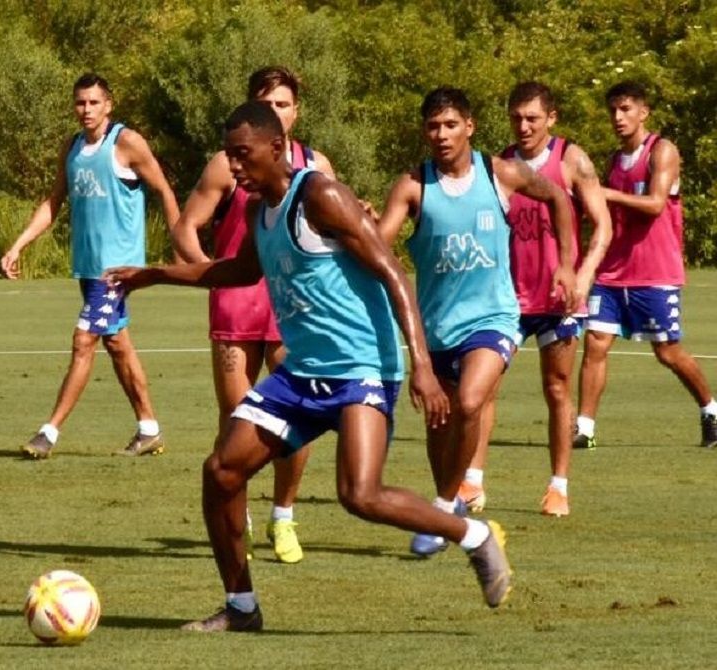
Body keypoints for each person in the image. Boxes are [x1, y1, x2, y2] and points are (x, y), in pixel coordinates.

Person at [105, 101, 511, 633]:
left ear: (276, 148)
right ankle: (241, 609)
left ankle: (473, 537)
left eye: (242, 154)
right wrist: (155, 273)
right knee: (221, 471)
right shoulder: (256, 211)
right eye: (229, 156)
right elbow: (238, 271)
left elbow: (393, 273)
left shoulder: (320, 195)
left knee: (359, 495)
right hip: (301, 375)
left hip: (361, 367)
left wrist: (422, 367)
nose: (234, 166)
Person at [376, 87, 576, 556]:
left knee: (469, 402)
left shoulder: (500, 173)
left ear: (470, 126)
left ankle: (446, 504)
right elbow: (380, 246)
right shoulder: (413, 185)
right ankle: (445, 507)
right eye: (432, 126)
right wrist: (357, 228)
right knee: (439, 425)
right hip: (436, 327)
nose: (441, 135)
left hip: (494, 319)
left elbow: (559, 199)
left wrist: (566, 263)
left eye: (450, 125)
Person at [170, 66, 335, 564]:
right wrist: (207, 272)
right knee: (239, 417)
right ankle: (234, 514)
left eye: (284, 105)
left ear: (296, 111)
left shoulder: (316, 165)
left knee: (297, 416)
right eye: (267, 105)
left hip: (294, 306)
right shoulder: (227, 165)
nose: (277, 113)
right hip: (238, 300)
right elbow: (186, 226)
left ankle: (283, 516)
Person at [2, 73, 180, 459]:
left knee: (83, 341)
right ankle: (149, 429)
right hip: (87, 267)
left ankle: (48, 433)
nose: (86, 109)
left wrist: (180, 241)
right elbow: (53, 202)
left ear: (108, 105)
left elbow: (164, 189)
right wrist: (18, 244)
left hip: (116, 271)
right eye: (80, 102)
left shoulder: (126, 143)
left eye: (93, 102)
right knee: (117, 344)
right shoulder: (71, 147)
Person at [457, 82, 612, 518]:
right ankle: (472, 482)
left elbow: (602, 227)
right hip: (505, 298)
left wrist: (582, 274)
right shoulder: (499, 166)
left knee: (557, 388)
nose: (523, 126)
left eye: (532, 118)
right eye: (516, 118)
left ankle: (558, 486)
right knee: (483, 389)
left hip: (558, 298)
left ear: (552, 118)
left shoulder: (571, 160)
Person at [574, 80, 717, 450]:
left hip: (654, 271)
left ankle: (711, 409)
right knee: (596, 343)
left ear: (643, 112)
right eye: (613, 111)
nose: (618, 117)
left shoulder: (661, 150)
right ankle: (584, 428)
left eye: (625, 109)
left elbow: (655, 205)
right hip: (612, 271)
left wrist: (604, 193)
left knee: (666, 351)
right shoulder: (612, 161)